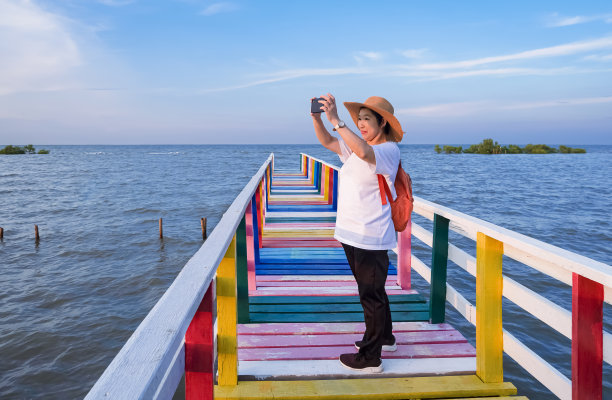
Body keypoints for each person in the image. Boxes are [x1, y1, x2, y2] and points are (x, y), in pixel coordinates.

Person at [311, 93, 403, 373]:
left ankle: (370, 358)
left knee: (370, 295)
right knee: (373, 291)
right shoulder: (355, 146)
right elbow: (328, 142)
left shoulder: (387, 150)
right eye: (359, 119)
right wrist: (317, 118)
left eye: (367, 119)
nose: (361, 124)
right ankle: (385, 338)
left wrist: (337, 120)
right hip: (352, 233)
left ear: (383, 123)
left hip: (370, 235)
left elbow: (364, 152)